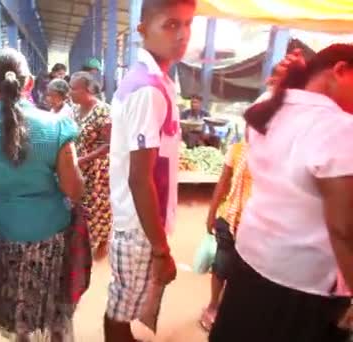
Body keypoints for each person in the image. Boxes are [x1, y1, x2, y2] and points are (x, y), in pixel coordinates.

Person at [209, 44, 353, 342]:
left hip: (251, 259)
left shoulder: (271, 108)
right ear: (340, 71)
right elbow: (343, 228)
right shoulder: (339, 128)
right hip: (303, 284)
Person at [0, 47, 84, 340]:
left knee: (13, 312)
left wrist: (3, 218)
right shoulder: (57, 126)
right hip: (49, 237)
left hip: (2, 236)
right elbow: (74, 189)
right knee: (49, 309)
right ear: (30, 82)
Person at [106, 0, 196, 341]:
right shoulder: (147, 88)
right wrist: (161, 250)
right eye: (171, 25)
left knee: (130, 305)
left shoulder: (155, 80)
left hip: (143, 220)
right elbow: (139, 179)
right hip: (140, 226)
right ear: (142, 29)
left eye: (187, 24)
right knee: (121, 314)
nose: (182, 35)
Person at [200, 137, 251, 331]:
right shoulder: (237, 149)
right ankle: (214, 306)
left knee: (243, 271)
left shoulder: (273, 153)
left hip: (254, 225)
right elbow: (223, 182)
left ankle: (230, 310)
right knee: (221, 265)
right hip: (229, 217)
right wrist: (211, 214)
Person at [70, 71, 113, 258]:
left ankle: (102, 241)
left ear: (87, 90)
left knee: (99, 207)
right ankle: (83, 242)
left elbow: (109, 144)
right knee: (80, 206)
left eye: (74, 88)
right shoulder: (74, 110)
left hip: (97, 169)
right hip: (78, 166)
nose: (70, 92)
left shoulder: (103, 111)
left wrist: (83, 159)